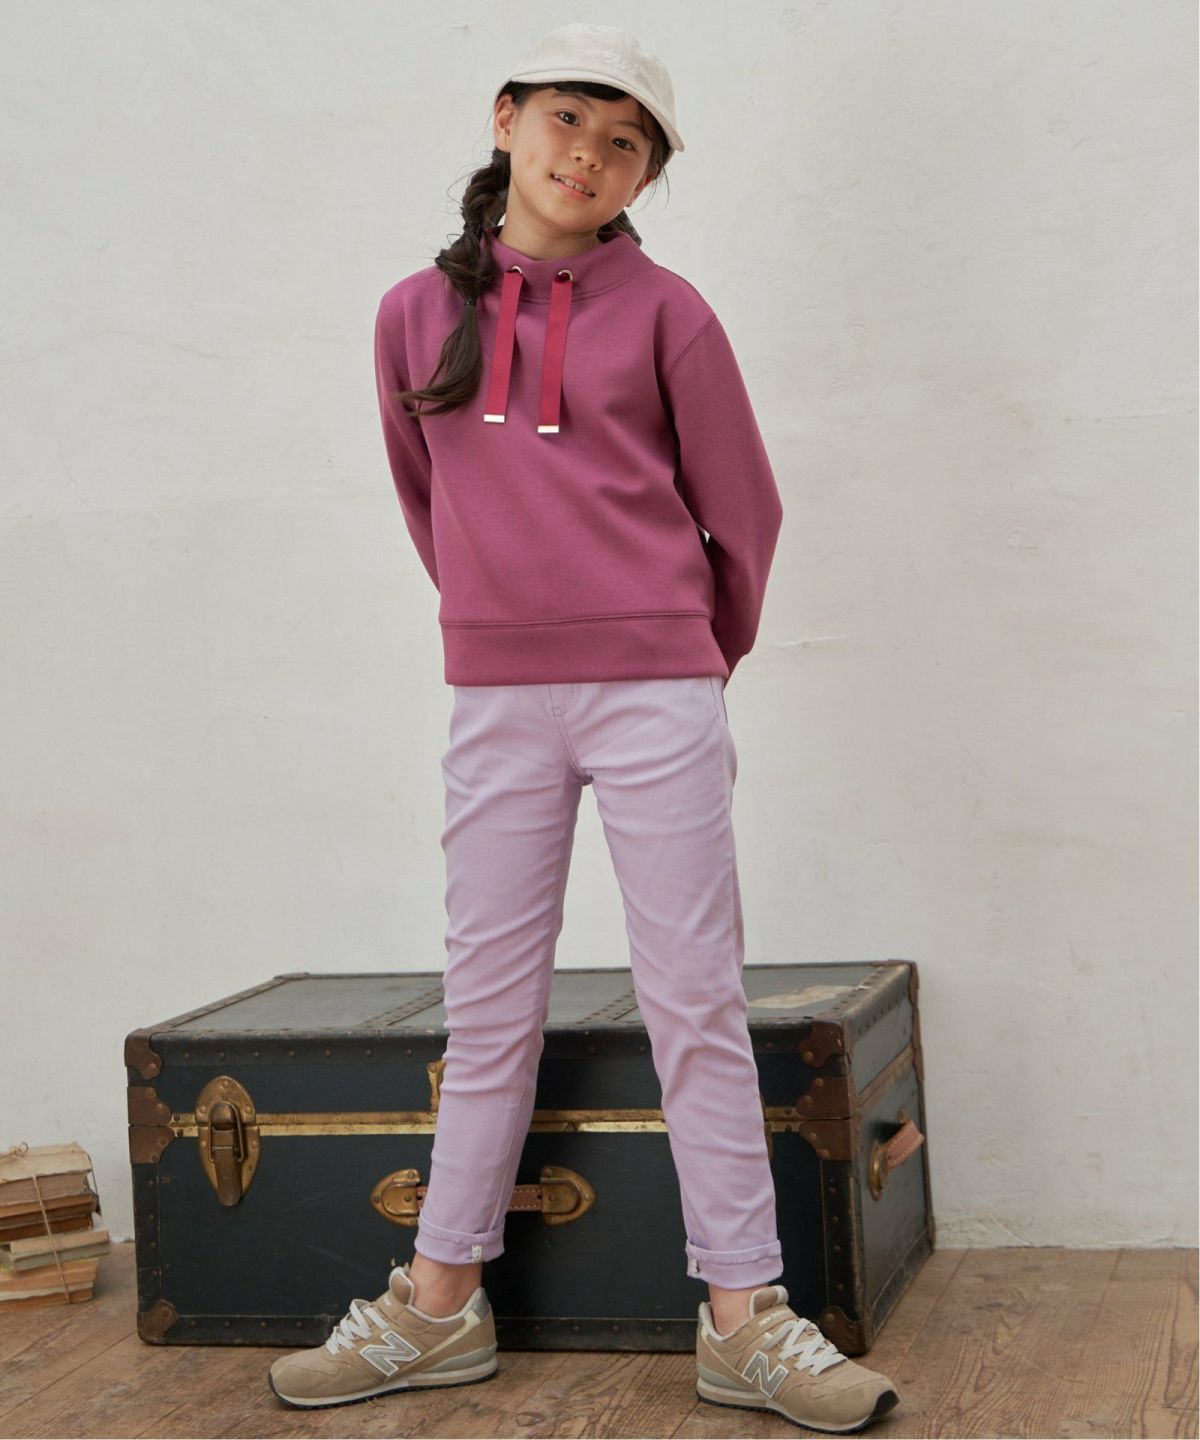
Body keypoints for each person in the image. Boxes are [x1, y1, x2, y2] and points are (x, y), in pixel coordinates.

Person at [268, 21, 900, 1433]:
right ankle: (439, 1305)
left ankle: (744, 1318)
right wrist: (500, 626)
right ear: (505, 118)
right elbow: (428, 500)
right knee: (488, 1006)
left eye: (626, 145)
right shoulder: (410, 314)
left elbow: (746, 509)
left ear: (644, 176)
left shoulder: (671, 313)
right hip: (497, 695)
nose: (589, 156)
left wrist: (689, 653)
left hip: (657, 687)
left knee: (694, 1000)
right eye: (567, 120)